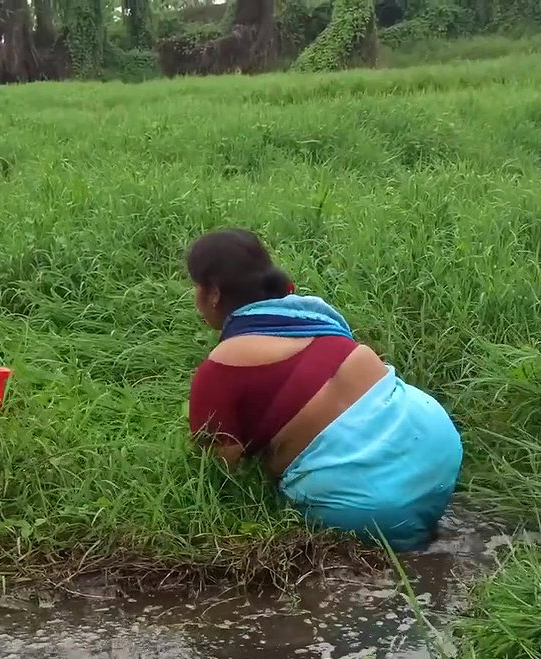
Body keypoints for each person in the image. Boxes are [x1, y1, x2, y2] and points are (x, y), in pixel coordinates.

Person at [185, 228, 463, 551]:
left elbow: (218, 477)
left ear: (214, 292)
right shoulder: (311, 318)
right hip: (435, 448)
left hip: (369, 503)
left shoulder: (219, 371)